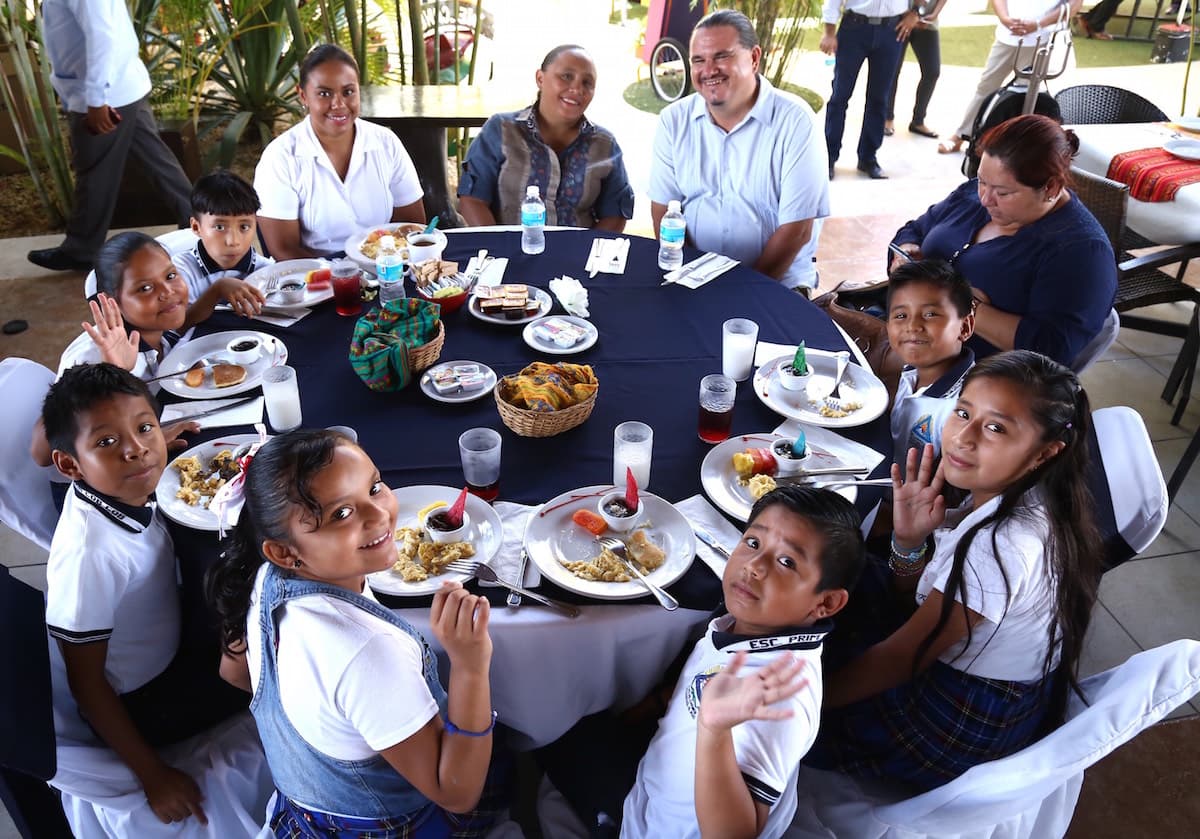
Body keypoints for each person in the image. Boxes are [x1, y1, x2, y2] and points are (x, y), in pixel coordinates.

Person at [808, 351, 1101, 792]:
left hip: (956, 719)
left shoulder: (998, 547)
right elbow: (921, 606)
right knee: (849, 571)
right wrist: (908, 542)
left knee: (800, 630)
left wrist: (807, 708)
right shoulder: (1028, 497)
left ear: (1045, 452)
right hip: (967, 673)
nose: (963, 437)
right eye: (963, 412)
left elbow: (901, 658)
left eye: (996, 428)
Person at [206, 430, 504, 836]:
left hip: (310, 812)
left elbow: (235, 673)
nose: (379, 515)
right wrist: (470, 664)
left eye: (375, 488)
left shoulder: (260, 578)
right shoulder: (366, 653)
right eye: (341, 515)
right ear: (284, 551)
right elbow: (455, 792)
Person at [537, 486, 864, 838]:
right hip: (655, 781)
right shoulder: (747, 625)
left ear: (826, 603)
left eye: (787, 562)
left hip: (658, 827)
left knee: (550, 734)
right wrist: (658, 706)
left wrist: (714, 730)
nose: (754, 567)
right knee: (569, 722)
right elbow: (697, 682)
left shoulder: (779, 699)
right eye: (753, 543)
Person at [42, 363, 248, 825]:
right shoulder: (90, 556)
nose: (136, 450)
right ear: (70, 465)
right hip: (153, 701)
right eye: (107, 442)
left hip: (168, 630)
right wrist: (151, 775)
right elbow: (87, 685)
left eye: (144, 427)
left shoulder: (117, 486)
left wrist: (150, 443)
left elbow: (137, 447)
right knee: (269, 658)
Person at [824, 115, 1116, 379]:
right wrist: (906, 251)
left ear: (1051, 188)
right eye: (982, 182)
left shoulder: (1080, 253)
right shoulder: (972, 196)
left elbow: (1050, 349)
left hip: (962, 375)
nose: (986, 199)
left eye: (1003, 192)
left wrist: (961, 303)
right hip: (889, 328)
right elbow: (915, 228)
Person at [648, 9, 829, 294]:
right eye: (698, 60)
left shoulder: (795, 122)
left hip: (776, 284)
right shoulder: (674, 121)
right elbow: (663, 210)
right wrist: (694, 278)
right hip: (693, 280)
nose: (708, 70)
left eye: (722, 56)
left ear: (754, 58)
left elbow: (797, 230)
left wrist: (739, 294)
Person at [29, 0, 193, 273]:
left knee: (93, 173)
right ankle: (199, 223)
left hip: (105, 95)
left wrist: (95, 99)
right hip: (120, 87)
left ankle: (81, 249)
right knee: (159, 163)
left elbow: (102, 36)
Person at [255, 44, 425, 260]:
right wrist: (340, 277)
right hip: (317, 280)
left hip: (387, 271)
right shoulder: (280, 158)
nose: (338, 104)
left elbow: (412, 227)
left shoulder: (386, 143)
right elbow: (283, 249)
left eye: (348, 92)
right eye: (324, 93)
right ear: (303, 95)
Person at [457, 45, 634, 231]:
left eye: (587, 83)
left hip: (576, 256)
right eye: (566, 76)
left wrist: (589, 254)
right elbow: (472, 199)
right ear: (540, 79)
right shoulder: (502, 130)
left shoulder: (605, 146)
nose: (577, 88)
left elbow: (615, 213)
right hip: (507, 254)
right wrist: (499, 249)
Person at [58, 232, 245, 380]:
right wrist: (116, 375)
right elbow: (46, 427)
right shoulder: (93, 359)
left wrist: (218, 289)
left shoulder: (157, 327)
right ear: (111, 301)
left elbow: (185, 322)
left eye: (170, 276)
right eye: (145, 288)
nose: (167, 292)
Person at [938, 0, 1080, 155]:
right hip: (1008, 35)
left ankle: (1009, 145)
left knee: (1025, 96)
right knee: (986, 87)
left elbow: (1074, 4)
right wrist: (1004, 18)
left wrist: (1039, 24)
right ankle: (963, 134)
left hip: (1042, 39)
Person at [885, 259, 976, 465]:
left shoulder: (963, 409)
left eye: (930, 314)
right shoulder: (910, 373)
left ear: (965, 326)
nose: (913, 326)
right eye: (901, 315)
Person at [820, 0, 913, 180]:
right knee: (840, 96)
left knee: (879, 99)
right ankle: (828, 157)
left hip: (892, 31)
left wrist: (916, 13)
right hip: (854, 28)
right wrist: (829, 33)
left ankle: (868, 158)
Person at [173, 170, 272, 314]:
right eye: (219, 227)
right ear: (196, 227)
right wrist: (217, 291)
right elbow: (176, 330)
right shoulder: (180, 272)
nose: (233, 241)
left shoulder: (267, 271)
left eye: (244, 227)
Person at [884, 0, 947, 140]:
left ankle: (918, 121)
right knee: (892, 69)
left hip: (927, 22)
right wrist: (911, 15)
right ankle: (886, 117)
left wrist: (935, 14)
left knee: (932, 71)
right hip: (901, 19)